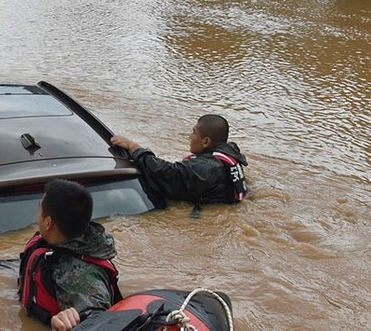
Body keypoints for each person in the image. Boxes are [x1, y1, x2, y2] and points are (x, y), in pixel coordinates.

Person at [18, 179, 121, 331]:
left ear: (48, 223)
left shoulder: (77, 275)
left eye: (40, 207)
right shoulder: (59, 243)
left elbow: (100, 320)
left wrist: (70, 320)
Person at [110, 114, 248, 205]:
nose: (190, 137)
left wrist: (134, 147)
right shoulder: (230, 153)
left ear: (206, 141)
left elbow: (167, 173)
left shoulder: (205, 168)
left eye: (194, 133)